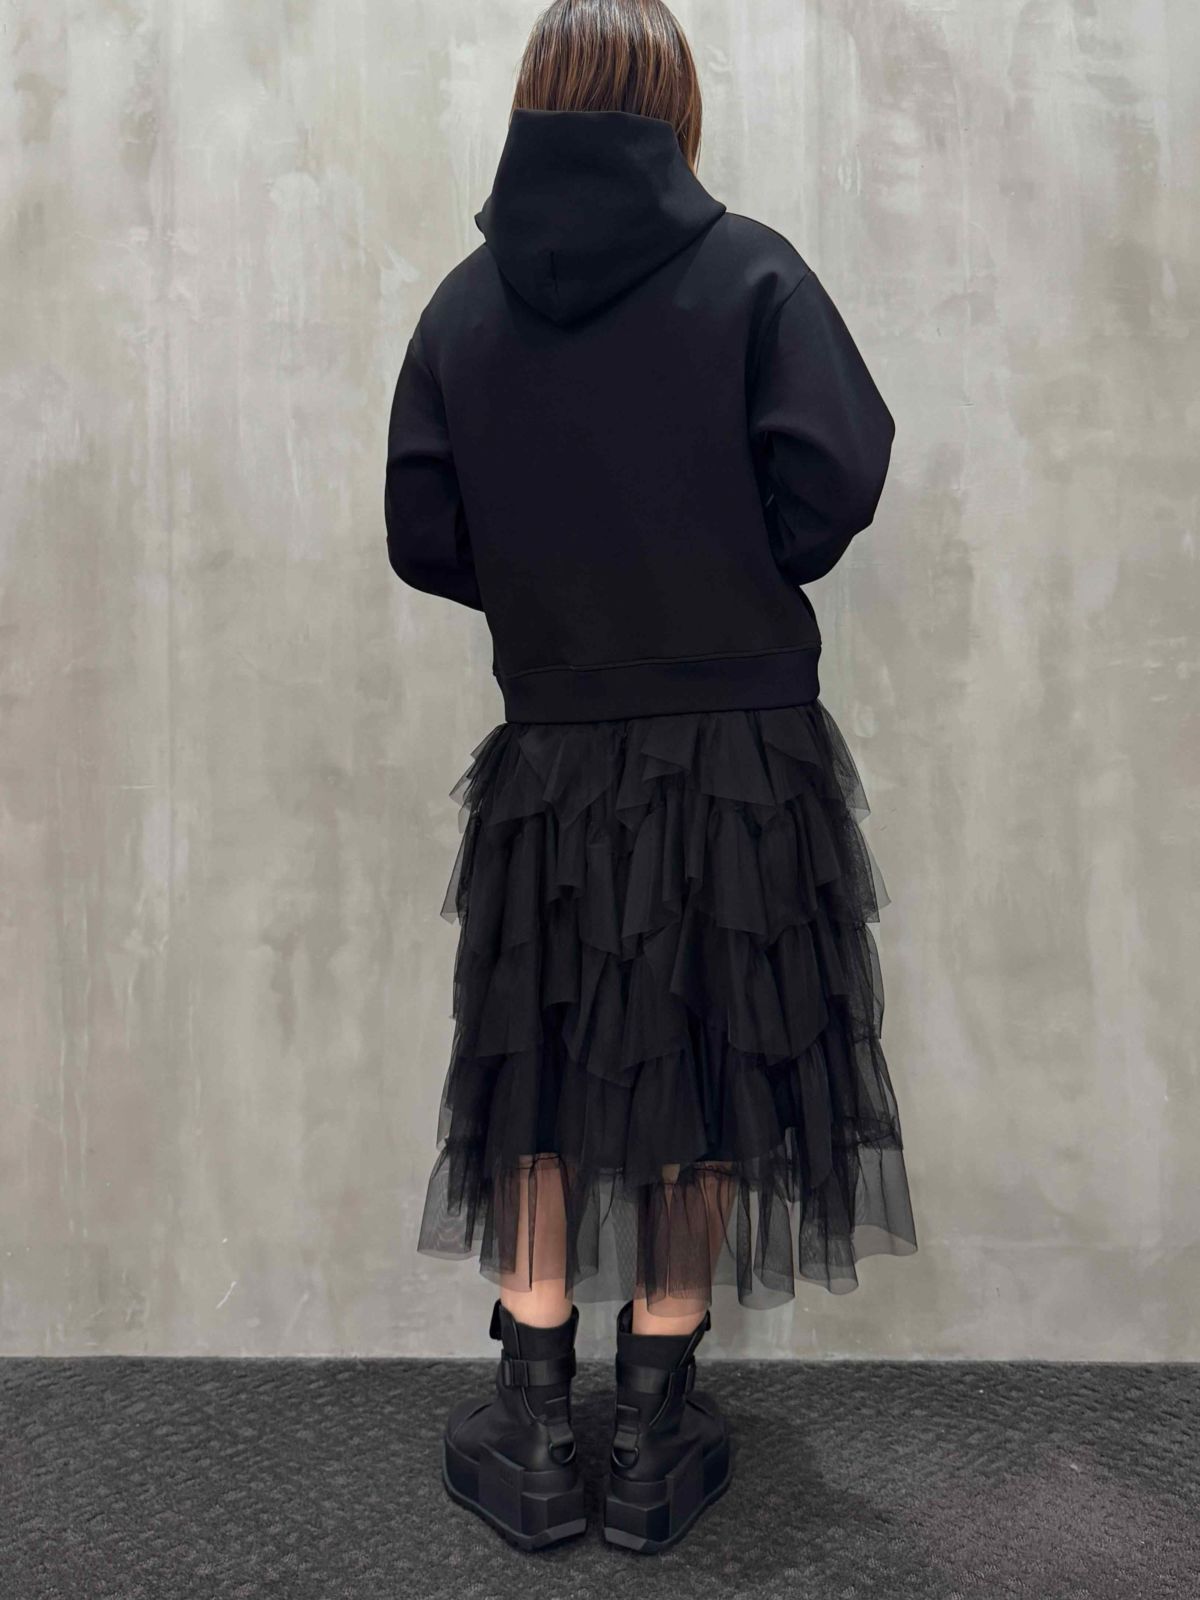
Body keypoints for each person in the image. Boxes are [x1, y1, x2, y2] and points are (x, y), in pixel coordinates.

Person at [384, 0, 918, 1556]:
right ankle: (655, 1425)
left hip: (556, 743)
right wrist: (726, 565)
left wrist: (555, 591)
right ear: (672, 105)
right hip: (739, 739)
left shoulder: (462, 309)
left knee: (541, 1060)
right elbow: (838, 475)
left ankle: (537, 1423)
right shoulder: (752, 274)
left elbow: (424, 531)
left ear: (532, 103)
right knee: (712, 1055)